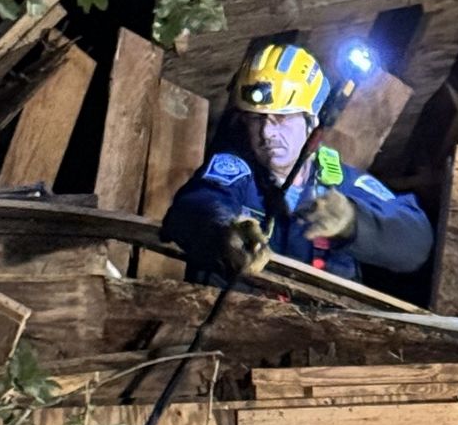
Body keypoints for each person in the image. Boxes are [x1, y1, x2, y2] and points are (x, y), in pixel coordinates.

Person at [161, 43, 433, 284]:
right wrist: (223, 230)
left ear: (312, 121)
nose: (267, 132)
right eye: (256, 119)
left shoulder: (340, 183)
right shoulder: (236, 170)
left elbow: (416, 243)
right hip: (237, 326)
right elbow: (194, 206)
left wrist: (353, 223)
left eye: (282, 117)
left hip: (323, 333)